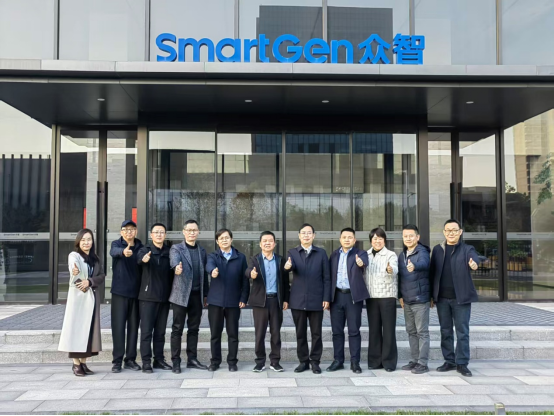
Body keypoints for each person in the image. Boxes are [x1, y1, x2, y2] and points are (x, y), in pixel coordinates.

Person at [430, 219, 480, 378]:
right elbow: (432, 273)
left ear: (460, 232)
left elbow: (474, 259)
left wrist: (474, 264)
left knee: (462, 332)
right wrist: (432, 295)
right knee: (445, 331)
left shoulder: (467, 249)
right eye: (448, 230)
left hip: (461, 299)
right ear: (444, 232)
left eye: (454, 230)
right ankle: (449, 361)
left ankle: (462, 363)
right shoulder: (437, 250)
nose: (451, 233)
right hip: (442, 299)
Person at [285, 224, 331, 375]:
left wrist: (326, 297)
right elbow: (289, 268)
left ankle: (315, 362)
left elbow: (327, 278)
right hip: (297, 300)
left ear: (313, 236)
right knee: (300, 333)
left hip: (316, 299)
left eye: (309, 233)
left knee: (316, 333)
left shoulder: (321, 253)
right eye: (303, 233)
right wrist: (287, 267)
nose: (306, 235)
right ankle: (303, 361)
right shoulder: (292, 252)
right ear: (299, 236)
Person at [59, 229, 105, 377]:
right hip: (78, 299)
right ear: (78, 242)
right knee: (76, 330)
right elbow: (74, 269)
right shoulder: (74, 255)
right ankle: (76, 364)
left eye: (89, 239)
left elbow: (101, 275)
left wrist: (89, 281)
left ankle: (83, 362)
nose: (86, 242)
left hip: (92, 298)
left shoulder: (95, 259)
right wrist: (75, 272)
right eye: (83, 240)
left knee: (89, 330)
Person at [169, 219, 210, 374]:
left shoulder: (202, 251)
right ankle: (176, 361)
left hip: (196, 296)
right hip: (181, 295)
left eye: (194, 230)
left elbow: (204, 275)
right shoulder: (176, 248)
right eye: (189, 230)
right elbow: (174, 262)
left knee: (194, 329)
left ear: (198, 232)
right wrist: (176, 268)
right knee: (177, 329)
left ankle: (192, 359)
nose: (192, 233)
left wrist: (205, 294)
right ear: (184, 232)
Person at [245, 231, 290, 373]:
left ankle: (275, 361)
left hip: (276, 301)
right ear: (260, 244)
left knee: (276, 333)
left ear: (274, 243)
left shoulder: (280, 260)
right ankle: (260, 362)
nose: (267, 243)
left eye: (270, 240)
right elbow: (247, 271)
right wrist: (251, 274)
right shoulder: (255, 259)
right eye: (264, 241)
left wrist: (286, 299)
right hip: (260, 302)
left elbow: (285, 281)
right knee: (260, 333)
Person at [206, 229, 249, 372]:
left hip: (233, 302)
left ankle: (232, 362)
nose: (224, 240)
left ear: (231, 239)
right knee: (215, 335)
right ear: (217, 241)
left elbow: (245, 280)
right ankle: (215, 361)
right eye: (221, 238)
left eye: (226, 238)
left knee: (233, 334)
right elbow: (208, 265)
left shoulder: (240, 257)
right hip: (215, 302)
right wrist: (212, 271)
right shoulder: (213, 256)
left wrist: (244, 298)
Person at [327, 228, 369, 374]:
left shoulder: (360, 253)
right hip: (337, 297)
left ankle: (355, 362)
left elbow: (364, 263)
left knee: (354, 331)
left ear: (354, 240)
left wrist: (360, 263)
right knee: (337, 331)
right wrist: (328, 298)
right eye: (344, 237)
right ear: (340, 239)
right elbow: (329, 278)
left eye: (350, 237)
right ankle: (338, 360)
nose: (347, 240)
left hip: (353, 297)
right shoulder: (334, 255)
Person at [137, 223, 174, 374]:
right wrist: (144, 259)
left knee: (160, 332)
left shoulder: (169, 251)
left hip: (164, 298)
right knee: (146, 332)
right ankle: (146, 362)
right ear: (151, 235)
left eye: (162, 232)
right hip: (148, 298)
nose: (159, 235)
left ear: (165, 235)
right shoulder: (144, 250)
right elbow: (139, 259)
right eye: (156, 232)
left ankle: (159, 360)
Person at [110, 220, 144, 373]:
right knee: (118, 327)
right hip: (119, 293)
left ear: (136, 231)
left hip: (136, 293)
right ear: (121, 232)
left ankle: (130, 359)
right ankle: (117, 361)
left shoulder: (141, 247)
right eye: (126, 229)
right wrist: (123, 252)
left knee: (133, 328)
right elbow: (113, 252)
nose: (129, 232)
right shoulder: (116, 244)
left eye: (132, 229)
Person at [398, 225, 432, 375]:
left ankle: (423, 363)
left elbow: (425, 264)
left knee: (422, 332)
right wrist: (400, 295)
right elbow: (400, 277)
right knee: (411, 331)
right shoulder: (402, 255)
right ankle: (414, 360)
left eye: (411, 236)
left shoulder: (422, 251)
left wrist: (415, 266)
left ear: (417, 237)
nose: (408, 238)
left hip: (420, 298)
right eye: (405, 236)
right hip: (407, 299)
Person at [365, 228, 399, 372]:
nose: (377, 241)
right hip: (371, 297)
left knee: (389, 330)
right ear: (371, 241)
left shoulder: (390, 254)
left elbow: (394, 268)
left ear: (384, 240)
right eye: (375, 239)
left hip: (387, 297)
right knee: (374, 330)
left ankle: (389, 362)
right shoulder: (365, 255)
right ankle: (375, 361)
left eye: (380, 238)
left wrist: (390, 269)